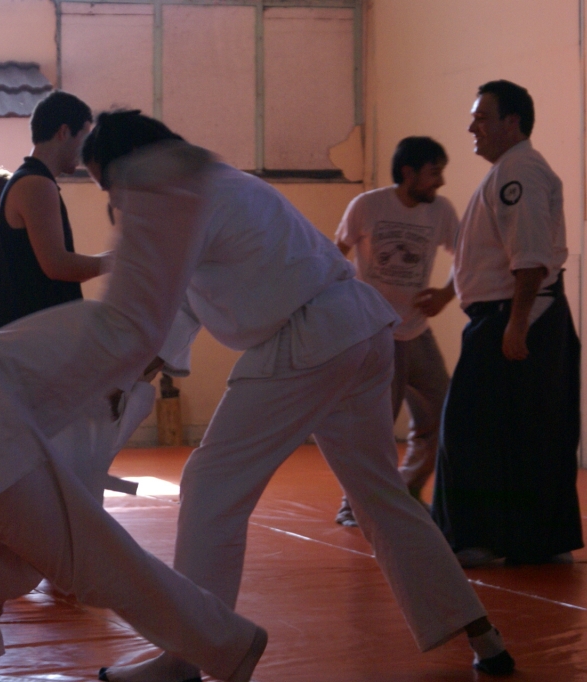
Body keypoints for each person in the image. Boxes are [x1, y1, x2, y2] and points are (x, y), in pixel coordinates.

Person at [81, 111, 515, 680]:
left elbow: (150, 302)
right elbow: (183, 305)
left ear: (130, 165)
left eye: (109, 184)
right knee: (380, 495)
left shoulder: (177, 197)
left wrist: (102, 378)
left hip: (308, 340)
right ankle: (485, 637)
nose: (114, 198)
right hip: (360, 329)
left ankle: (187, 655)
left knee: (211, 484)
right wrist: (130, 378)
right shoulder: (221, 182)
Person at [0, 140, 266, 682]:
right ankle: (163, 212)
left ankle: (229, 646)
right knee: (121, 347)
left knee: (95, 563)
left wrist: (231, 647)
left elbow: (87, 567)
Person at [431, 80, 582, 568]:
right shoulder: (509, 172)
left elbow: (529, 256)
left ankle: (474, 538)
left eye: (481, 117)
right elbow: (491, 255)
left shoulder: (520, 172)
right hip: (512, 314)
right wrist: (447, 294)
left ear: (511, 122)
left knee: (469, 428)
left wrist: (516, 325)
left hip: (516, 315)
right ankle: (536, 539)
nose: (471, 127)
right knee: (526, 431)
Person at [332, 136, 459, 526]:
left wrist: (445, 294)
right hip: (375, 332)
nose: (440, 182)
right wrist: (342, 308)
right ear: (409, 173)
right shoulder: (367, 206)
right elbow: (336, 254)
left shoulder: (441, 211)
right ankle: (354, 505)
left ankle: (405, 492)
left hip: (417, 332)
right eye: (434, 172)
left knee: (443, 413)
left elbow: (467, 257)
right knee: (374, 426)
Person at [0, 90, 111, 327]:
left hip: (29, 333)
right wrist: (119, 261)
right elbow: (57, 265)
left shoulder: (31, 180)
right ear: (64, 132)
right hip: (32, 336)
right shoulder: (36, 184)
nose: (87, 152)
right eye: (85, 139)